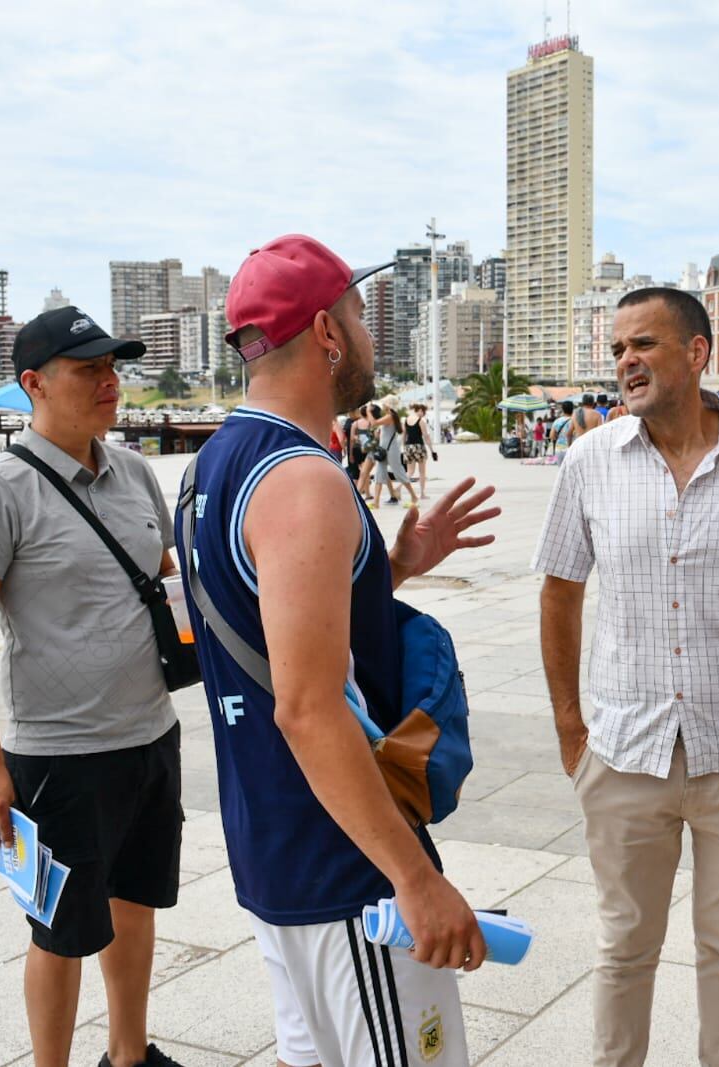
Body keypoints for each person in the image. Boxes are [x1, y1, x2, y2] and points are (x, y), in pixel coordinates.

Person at [184, 235, 500, 1067]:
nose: (368, 333)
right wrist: (416, 879)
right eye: (359, 315)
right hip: (346, 866)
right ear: (327, 332)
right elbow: (307, 704)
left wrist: (390, 566)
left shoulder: (213, 464)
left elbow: (273, 626)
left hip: (272, 843)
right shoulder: (303, 478)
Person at [535, 286, 719, 1067]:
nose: (626, 362)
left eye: (644, 345)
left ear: (697, 352)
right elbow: (559, 590)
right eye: (618, 350)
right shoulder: (589, 459)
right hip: (625, 747)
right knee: (624, 945)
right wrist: (571, 725)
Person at [0, 307, 185, 1067]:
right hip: (59, 752)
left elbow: (164, 581)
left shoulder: (137, 471)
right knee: (62, 929)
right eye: (89, 369)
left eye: (113, 367)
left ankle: (128, 1053)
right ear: (33, 384)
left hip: (151, 732)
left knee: (137, 902)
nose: (110, 382)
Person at [404, 403, 430, 498]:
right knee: (422, 472)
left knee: (410, 472)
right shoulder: (420, 421)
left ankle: (398, 488)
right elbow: (426, 436)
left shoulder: (406, 420)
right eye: (423, 412)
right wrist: (431, 449)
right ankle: (422, 493)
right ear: (419, 410)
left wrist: (404, 448)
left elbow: (404, 435)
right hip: (419, 447)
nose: (423, 414)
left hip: (408, 447)